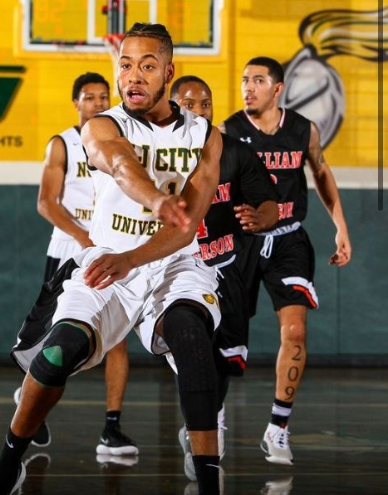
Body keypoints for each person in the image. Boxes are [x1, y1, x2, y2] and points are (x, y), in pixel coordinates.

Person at [0, 22, 224, 495]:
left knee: (193, 343)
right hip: (108, 258)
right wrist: (154, 200)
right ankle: (8, 461)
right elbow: (120, 163)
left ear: (168, 72)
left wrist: (140, 251)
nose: (133, 76)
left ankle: (210, 480)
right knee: (53, 355)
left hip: (172, 261)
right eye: (126, 65)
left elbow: (185, 228)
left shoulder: (207, 138)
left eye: (147, 67)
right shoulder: (102, 125)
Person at [220, 57, 352, 465]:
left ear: (278, 88)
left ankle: (278, 428)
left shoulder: (302, 130)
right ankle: (212, 420)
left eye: (257, 80)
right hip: (240, 242)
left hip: (288, 240)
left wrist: (340, 227)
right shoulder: (228, 131)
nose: (248, 87)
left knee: (295, 332)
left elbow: (322, 171)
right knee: (224, 341)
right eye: (244, 80)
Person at [12, 71, 138, 456]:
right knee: (55, 341)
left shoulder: (122, 141)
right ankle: (32, 404)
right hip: (69, 251)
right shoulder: (62, 144)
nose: (98, 103)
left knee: (115, 341)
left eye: (103, 97)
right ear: (75, 103)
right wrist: (85, 239)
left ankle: (111, 429)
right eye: (89, 97)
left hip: (110, 251)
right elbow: (46, 203)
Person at [170, 75, 279, 482]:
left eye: (206, 104)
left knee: (226, 359)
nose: (199, 112)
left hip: (228, 267)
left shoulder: (234, 152)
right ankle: (206, 430)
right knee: (194, 352)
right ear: (173, 106)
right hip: (179, 268)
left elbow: (269, 202)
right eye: (189, 104)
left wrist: (260, 217)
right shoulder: (158, 153)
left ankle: (209, 417)